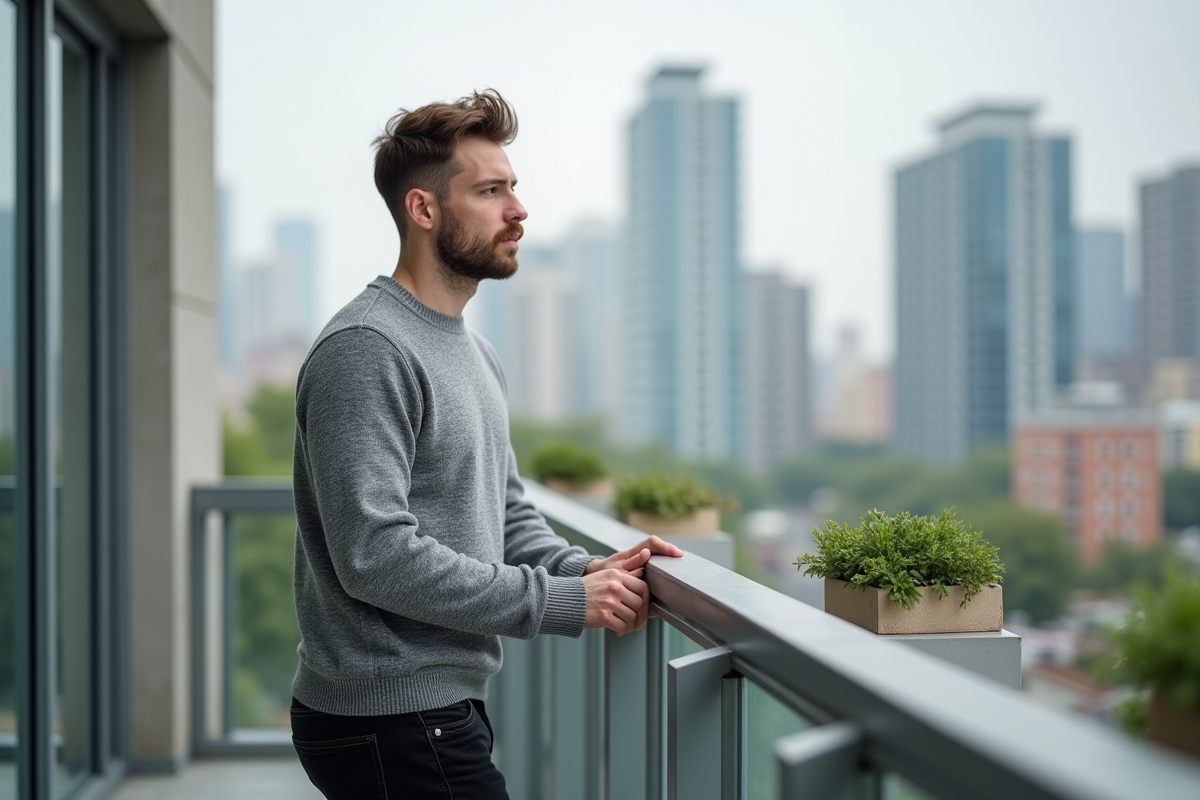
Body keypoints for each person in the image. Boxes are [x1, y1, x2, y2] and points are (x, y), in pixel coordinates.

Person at [288, 89, 683, 800]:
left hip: (438, 708)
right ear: (424, 209)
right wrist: (560, 602)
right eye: (491, 190)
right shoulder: (366, 349)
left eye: (514, 188)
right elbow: (373, 556)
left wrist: (588, 570)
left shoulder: (475, 351)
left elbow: (503, 514)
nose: (519, 210)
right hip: (389, 714)